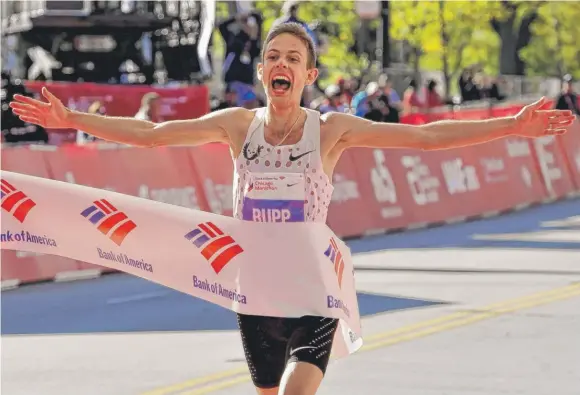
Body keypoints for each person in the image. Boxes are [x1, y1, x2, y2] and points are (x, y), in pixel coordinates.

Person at [9, 22, 575, 395]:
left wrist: (511, 126)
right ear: (262, 74)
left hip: (312, 291)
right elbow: (155, 134)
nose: (282, 65)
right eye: (272, 57)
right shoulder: (237, 126)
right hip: (254, 292)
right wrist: (72, 121)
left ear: (308, 76)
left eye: (294, 59)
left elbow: (425, 139)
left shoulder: (332, 131)